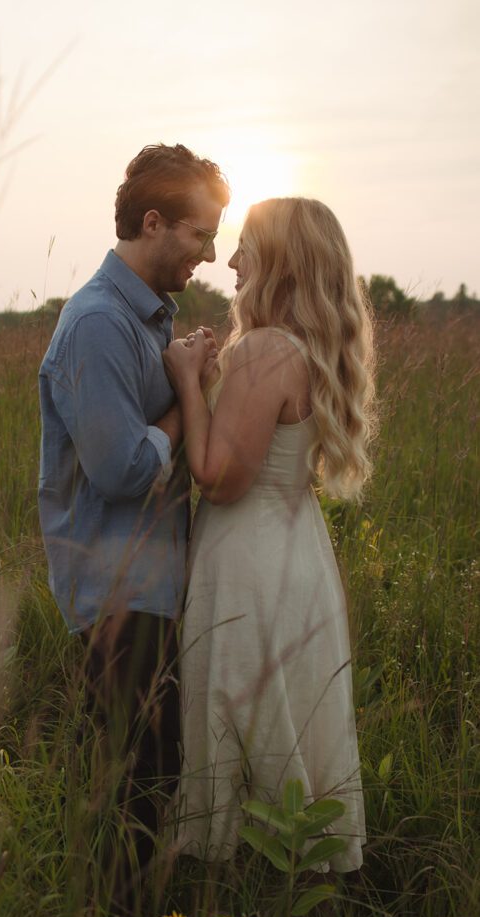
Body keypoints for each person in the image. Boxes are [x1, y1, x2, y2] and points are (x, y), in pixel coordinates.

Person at [38, 144, 230, 912]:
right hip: (117, 591)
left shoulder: (149, 318)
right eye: (200, 234)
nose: (211, 255)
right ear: (153, 222)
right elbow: (119, 470)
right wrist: (187, 399)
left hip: (150, 584)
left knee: (152, 777)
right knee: (135, 787)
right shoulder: (96, 324)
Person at [163, 197, 374, 871]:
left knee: (236, 703)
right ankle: (288, 858)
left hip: (249, 557)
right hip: (298, 551)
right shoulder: (314, 349)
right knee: (288, 705)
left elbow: (218, 477)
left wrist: (189, 381)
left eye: (247, 246)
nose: (231, 261)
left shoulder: (263, 350)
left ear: (280, 261)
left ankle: (226, 866)